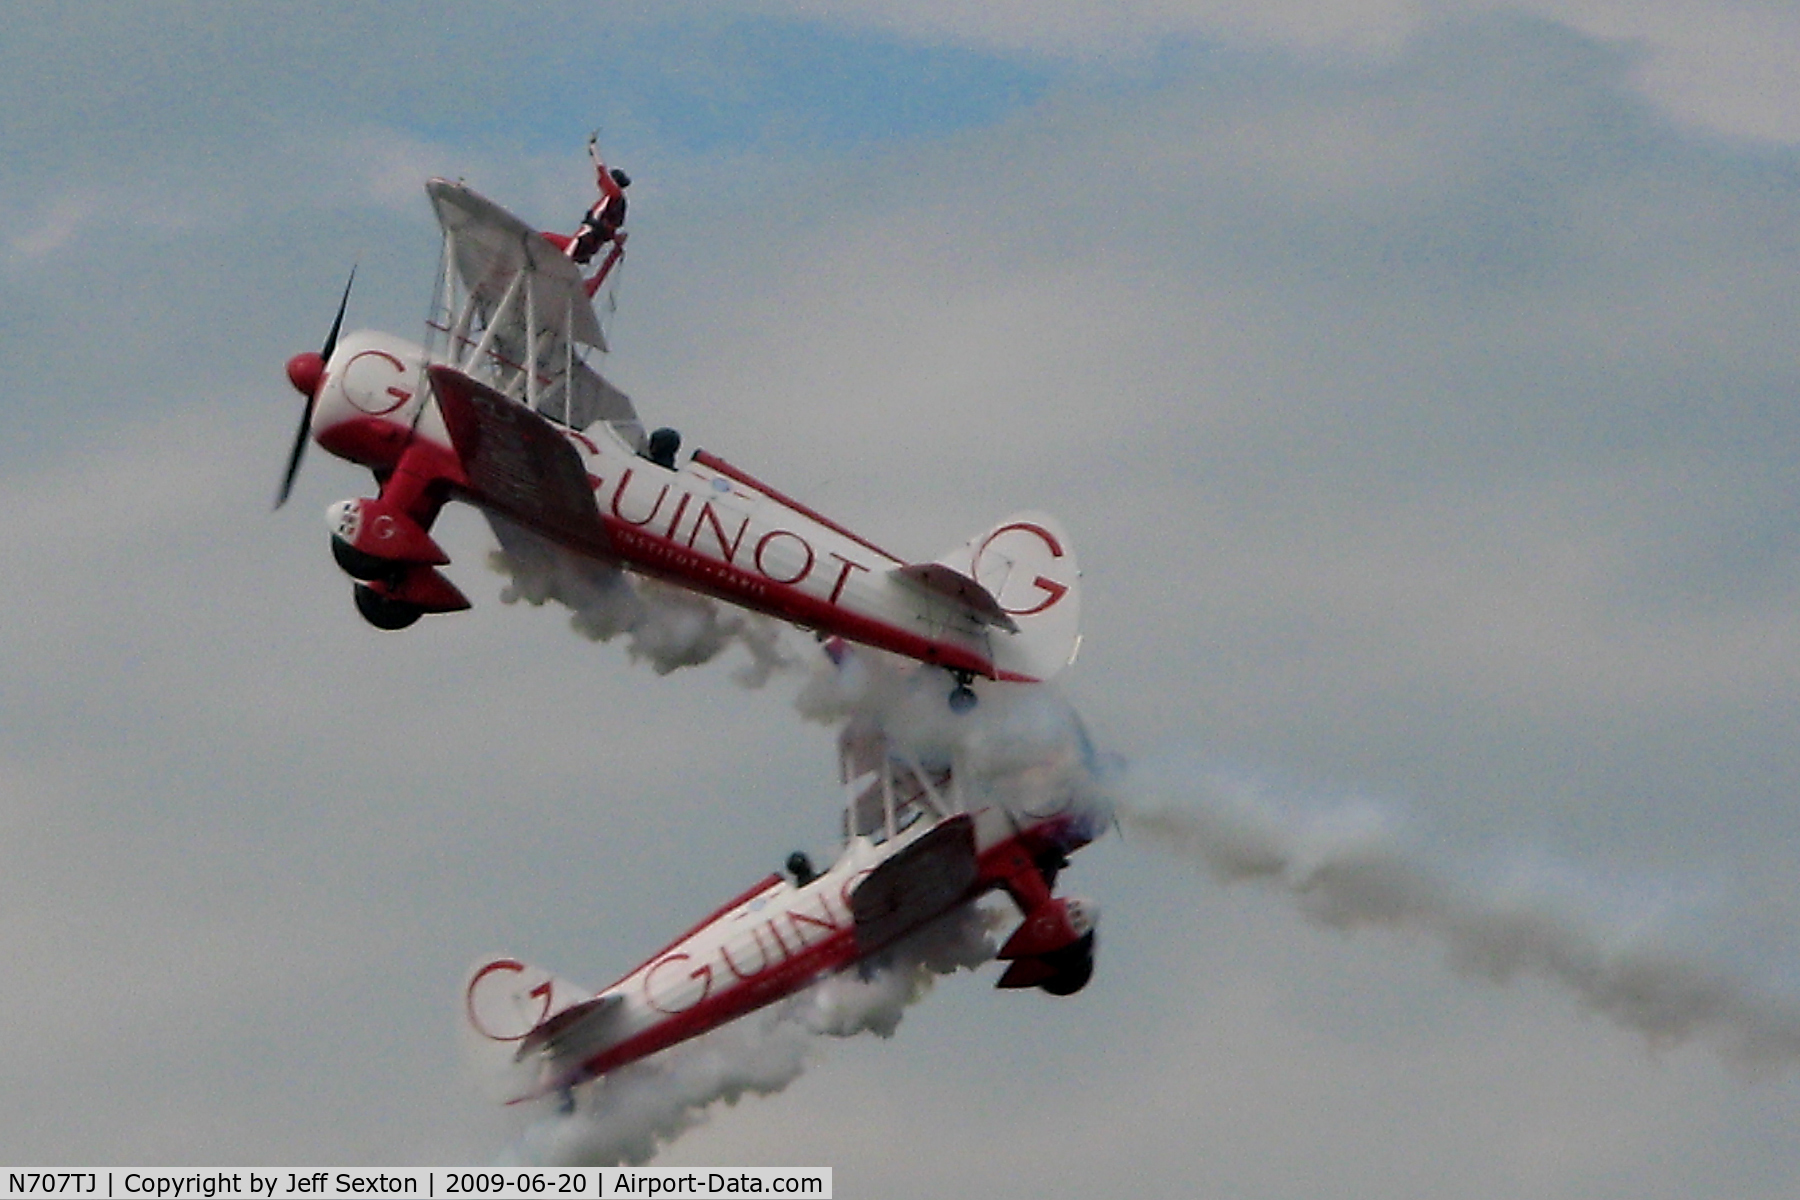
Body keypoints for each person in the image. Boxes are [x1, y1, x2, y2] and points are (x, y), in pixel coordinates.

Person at [565, 134, 629, 266]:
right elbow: (610, 231)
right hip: (589, 249)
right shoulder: (619, 207)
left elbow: (601, 170)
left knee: (544, 237)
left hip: (581, 242)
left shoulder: (613, 193)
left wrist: (594, 150)